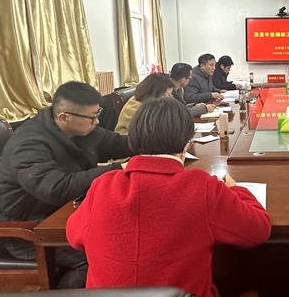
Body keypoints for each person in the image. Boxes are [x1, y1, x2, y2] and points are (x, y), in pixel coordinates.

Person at [67, 97, 271, 296]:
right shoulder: (201, 187)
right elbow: (258, 230)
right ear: (186, 143)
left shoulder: (102, 185)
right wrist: (235, 190)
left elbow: (74, 237)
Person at [0, 82, 133, 288]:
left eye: (97, 113)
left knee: (122, 235)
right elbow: (56, 188)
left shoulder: (81, 129)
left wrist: (161, 142)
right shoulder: (29, 144)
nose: (97, 121)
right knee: (98, 256)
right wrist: (118, 168)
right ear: (64, 117)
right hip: (22, 231)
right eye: (92, 117)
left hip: (59, 217)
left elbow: (119, 143)